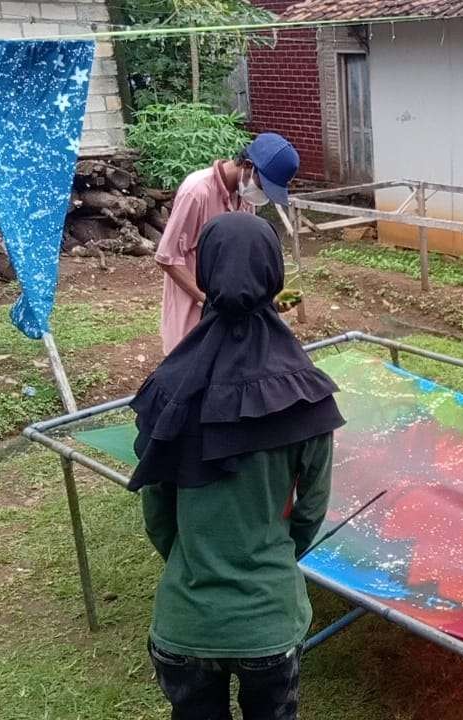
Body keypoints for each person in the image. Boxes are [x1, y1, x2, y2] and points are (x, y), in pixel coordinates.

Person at [131, 212, 345, 720]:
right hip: (269, 624)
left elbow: (157, 514)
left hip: (184, 623)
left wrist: (193, 562)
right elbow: (310, 512)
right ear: (274, 275)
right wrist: (270, 562)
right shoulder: (305, 396)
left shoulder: (168, 389)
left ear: (204, 271)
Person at [156, 132, 299, 355]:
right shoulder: (197, 191)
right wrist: (209, 301)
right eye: (263, 186)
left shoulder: (246, 198)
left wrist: (266, 301)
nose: (263, 194)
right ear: (248, 166)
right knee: (191, 373)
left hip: (228, 313)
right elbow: (167, 257)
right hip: (193, 312)